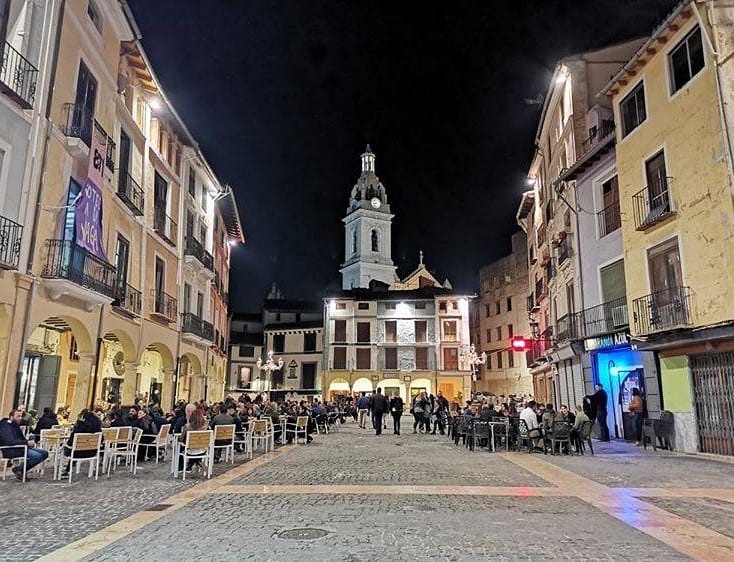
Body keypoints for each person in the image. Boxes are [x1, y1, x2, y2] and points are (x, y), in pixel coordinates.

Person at [0, 408, 49, 480]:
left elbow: (19, 439)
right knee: (38, 456)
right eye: (18, 416)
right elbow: (10, 441)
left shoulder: (14, 425)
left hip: (21, 447)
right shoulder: (5, 426)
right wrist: (26, 442)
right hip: (11, 450)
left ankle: (20, 469)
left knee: (45, 453)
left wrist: (27, 441)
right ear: (11, 417)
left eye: (21, 416)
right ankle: (20, 469)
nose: (20, 418)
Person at [61, 408, 102, 477]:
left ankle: (66, 470)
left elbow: (70, 443)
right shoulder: (98, 430)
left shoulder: (79, 429)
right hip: (92, 453)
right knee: (74, 448)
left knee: (68, 449)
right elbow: (102, 440)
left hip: (77, 453)